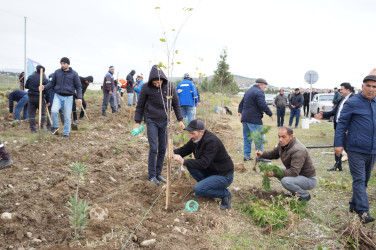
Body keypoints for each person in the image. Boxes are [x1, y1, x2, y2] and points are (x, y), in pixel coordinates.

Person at [334, 75, 376, 223]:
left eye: (374, 86)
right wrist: (338, 144)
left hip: (372, 150)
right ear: (362, 86)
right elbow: (341, 125)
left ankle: (353, 205)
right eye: (368, 86)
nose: (371, 89)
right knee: (359, 179)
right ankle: (363, 212)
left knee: (364, 180)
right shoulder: (353, 103)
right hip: (355, 149)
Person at [134, 65, 185, 185]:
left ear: (163, 79)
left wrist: (180, 120)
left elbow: (176, 104)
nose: (157, 84)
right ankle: (151, 176)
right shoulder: (146, 87)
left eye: (159, 82)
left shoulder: (170, 86)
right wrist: (137, 122)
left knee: (163, 148)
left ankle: (158, 174)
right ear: (152, 80)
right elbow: (140, 106)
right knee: (154, 148)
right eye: (155, 82)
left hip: (165, 121)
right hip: (151, 120)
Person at [173, 119, 234, 210]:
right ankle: (206, 187)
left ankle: (225, 194)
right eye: (189, 133)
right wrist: (171, 153)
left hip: (223, 175)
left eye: (193, 133)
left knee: (198, 189)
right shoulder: (195, 139)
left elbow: (203, 163)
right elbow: (183, 150)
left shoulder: (211, 142)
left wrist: (183, 161)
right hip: (211, 171)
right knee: (191, 165)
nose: (190, 136)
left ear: (201, 132)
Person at [256, 126, 317, 201]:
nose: (280, 140)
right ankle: (295, 193)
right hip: (297, 174)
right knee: (275, 169)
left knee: (285, 181)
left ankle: (304, 196)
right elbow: (273, 154)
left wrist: (274, 174)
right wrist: (262, 154)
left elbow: (293, 172)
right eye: (279, 137)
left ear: (291, 136)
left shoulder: (298, 149)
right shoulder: (282, 144)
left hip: (308, 179)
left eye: (283, 137)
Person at [315, 82, 354, 171]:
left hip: (348, 130)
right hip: (339, 128)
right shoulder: (342, 99)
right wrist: (323, 114)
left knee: (348, 149)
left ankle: (355, 167)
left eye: (342, 89)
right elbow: (334, 112)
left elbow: (355, 116)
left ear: (348, 90)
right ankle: (337, 165)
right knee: (337, 146)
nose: (340, 91)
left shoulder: (354, 99)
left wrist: (349, 128)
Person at [41, 57, 82, 138]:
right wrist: (44, 87)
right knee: (54, 111)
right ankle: (55, 127)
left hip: (68, 97)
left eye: (64, 63)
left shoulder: (74, 74)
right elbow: (52, 83)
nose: (62, 65)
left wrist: (79, 97)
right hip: (58, 96)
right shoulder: (57, 72)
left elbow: (78, 86)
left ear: (68, 64)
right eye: (61, 63)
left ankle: (66, 134)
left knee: (67, 117)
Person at [238, 78, 274, 162]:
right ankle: (260, 157)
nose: (265, 87)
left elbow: (241, 103)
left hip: (245, 119)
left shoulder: (249, 91)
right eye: (265, 85)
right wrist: (270, 114)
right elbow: (262, 104)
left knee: (247, 138)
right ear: (260, 84)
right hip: (253, 119)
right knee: (260, 138)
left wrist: (240, 111)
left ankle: (246, 156)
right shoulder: (259, 92)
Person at [25, 65, 50, 133]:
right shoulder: (44, 79)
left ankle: (33, 130)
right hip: (39, 97)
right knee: (42, 113)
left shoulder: (30, 77)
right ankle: (41, 127)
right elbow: (47, 91)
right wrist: (48, 101)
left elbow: (26, 86)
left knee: (31, 114)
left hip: (31, 97)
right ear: (43, 72)